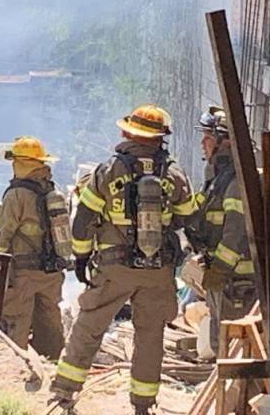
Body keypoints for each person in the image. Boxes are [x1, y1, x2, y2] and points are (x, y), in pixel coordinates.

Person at [52, 104, 200, 414]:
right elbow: (188, 218)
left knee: (89, 326)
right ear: (161, 138)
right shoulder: (174, 173)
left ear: (127, 132)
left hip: (114, 267)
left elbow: (83, 219)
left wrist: (80, 258)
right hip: (158, 270)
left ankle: (64, 392)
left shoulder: (109, 170)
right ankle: (143, 405)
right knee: (150, 336)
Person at [0, 136, 69, 359]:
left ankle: (15, 364)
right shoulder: (53, 191)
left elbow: (3, 232)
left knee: (17, 317)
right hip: (53, 271)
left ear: (21, 163)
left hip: (24, 272)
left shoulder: (17, 194)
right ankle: (53, 359)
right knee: (49, 317)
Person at [190, 106, 256, 353]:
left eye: (208, 138)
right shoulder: (217, 178)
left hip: (237, 279)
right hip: (223, 277)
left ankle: (236, 391)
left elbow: (235, 233)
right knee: (221, 342)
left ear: (226, 143)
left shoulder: (236, 181)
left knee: (234, 346)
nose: (202, 144)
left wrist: (219, 270)